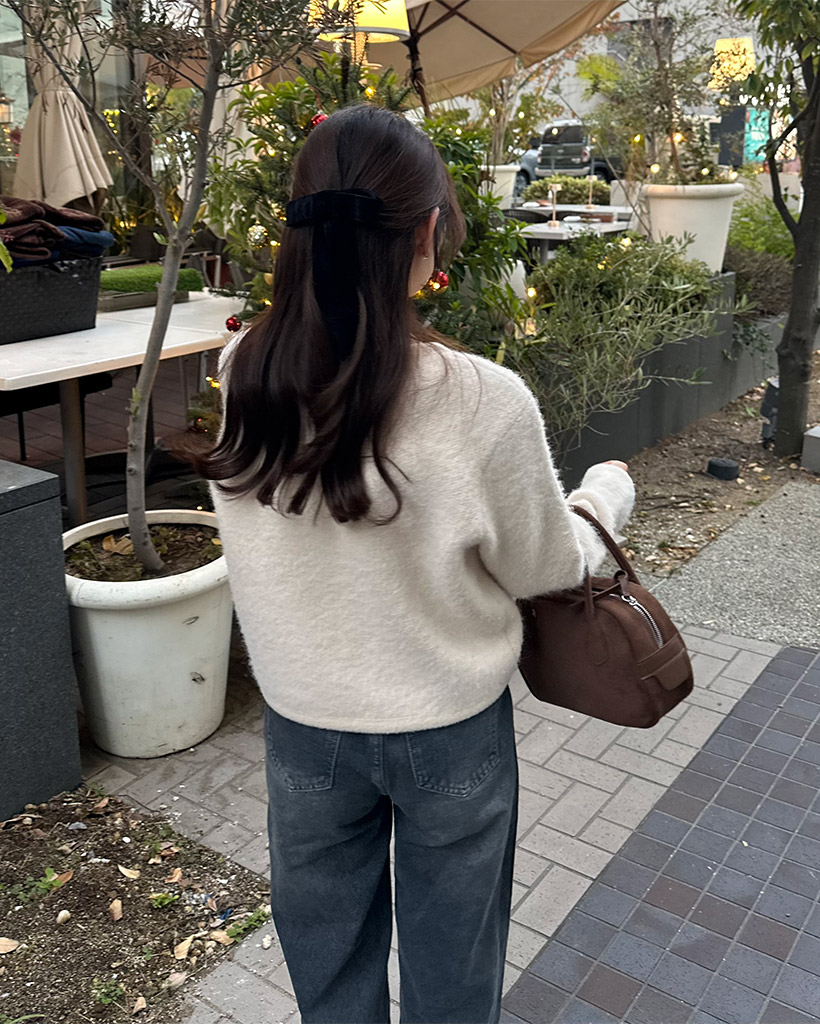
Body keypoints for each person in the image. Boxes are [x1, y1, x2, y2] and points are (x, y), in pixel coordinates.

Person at [198, 105, 635, 1024]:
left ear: (297, 229)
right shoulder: (482, 400)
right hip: (448, 728)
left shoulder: (245, 373)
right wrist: (605, 498)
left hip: (303, 725)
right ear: (428, 230)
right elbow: (547, 569)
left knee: (328, 966)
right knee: (454, 970)